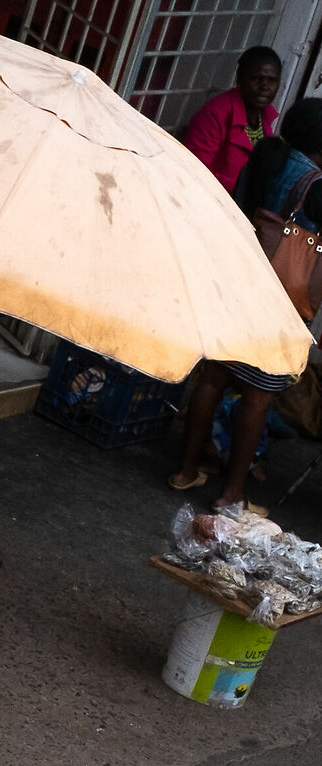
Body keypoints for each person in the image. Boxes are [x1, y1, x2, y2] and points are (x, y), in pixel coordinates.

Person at [173, 97, 322, 513]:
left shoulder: (266, 156)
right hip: (279, 302)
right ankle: (231, 493)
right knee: (257, 398)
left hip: (240, 279)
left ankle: (186, 469)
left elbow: (236, 208)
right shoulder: (317, 184)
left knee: (212, 378)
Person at [182, 46, 281, 191]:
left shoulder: (264, 117)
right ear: (239, 79)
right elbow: (195, 171)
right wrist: (244, 192)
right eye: (255, 79)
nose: (264, 87)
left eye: (272, 80)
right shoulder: (215, 115)